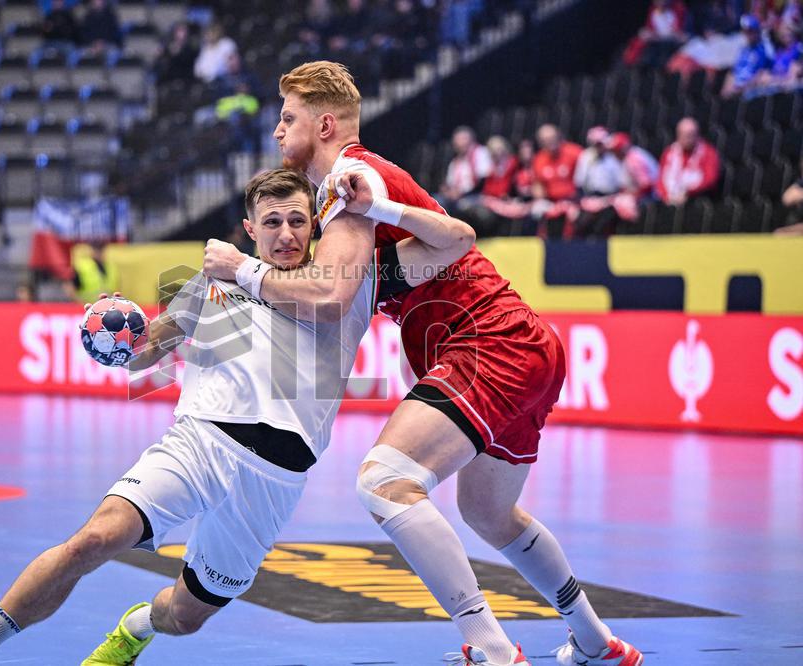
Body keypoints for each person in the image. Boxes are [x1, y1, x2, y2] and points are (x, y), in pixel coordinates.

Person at [0, 168, 475, 666]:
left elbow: (455, 243)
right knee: (91, 541)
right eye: (271, 222)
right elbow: (150, 349)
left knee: (185, 614)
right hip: (198, 444)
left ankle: (133, 631)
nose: (285, 234)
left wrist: (377, 207)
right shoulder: (210, 283)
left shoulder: (352, 281)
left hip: (275, 483)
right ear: (250, 229)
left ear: (315, 226)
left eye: (298, 221)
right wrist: (122, 338)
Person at [201, 61, 643, 666]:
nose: (277, 131)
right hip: (521, 341)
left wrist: (242, 269)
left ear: (324, 123)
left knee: (384, 482)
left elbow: (337, 295)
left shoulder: (348, 182)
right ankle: (597, 642)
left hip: (486, 341)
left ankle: (490, 647)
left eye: (288, 118)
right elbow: (433, 246)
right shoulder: (355, 192)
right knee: (486, 512)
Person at [656, 117, 721, 205]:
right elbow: (660, 180)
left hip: (696, 199)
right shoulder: (669, 153)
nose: (686, 138)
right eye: (683, 134)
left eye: (690, 135)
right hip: (670, 199)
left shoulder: (708, 153)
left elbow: (710, 180)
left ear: (697, 135)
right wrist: (667, 196)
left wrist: (687, 193)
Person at [438, 126, 494, 210]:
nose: (460, 143)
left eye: (463, 139)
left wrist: (462, 193)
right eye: (457, 140)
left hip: (476, 195)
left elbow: (483, 181)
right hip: (457, 197)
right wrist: (447, 191)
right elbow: (450, 184)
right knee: (436, 201)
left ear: (471, 140)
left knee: (461, 206)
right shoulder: (455, 162)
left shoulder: (481, 153)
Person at [721, 14, 775, 97]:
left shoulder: (763, 50)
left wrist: (741, 88)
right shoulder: (742, 50)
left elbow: (762, 74)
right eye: (745, 31)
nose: (747, 34)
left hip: (750, 93)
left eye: (750, 31)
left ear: (757, 31)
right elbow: (733, 72)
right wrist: (726, 90)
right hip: (735, 92)